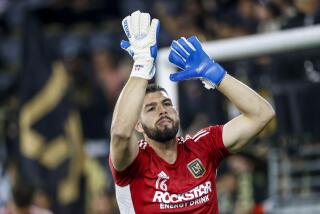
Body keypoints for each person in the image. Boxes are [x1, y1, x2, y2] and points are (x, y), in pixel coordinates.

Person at [109, 10, 275, 214]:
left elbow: (262, 114)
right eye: (151, 108)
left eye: (167, 104)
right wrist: (142, 65)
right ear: (138, 124)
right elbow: (119, 132)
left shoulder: (202, 147)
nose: (162, 110)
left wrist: (216, 75)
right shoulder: (134, 161)